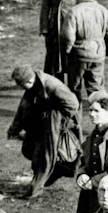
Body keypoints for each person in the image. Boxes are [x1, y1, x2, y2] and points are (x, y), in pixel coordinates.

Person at [8, 64, 82, 194]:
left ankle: (36, 187)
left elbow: (73, 105)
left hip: (54, 124)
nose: (20, 88)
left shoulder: (52, 86)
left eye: (21, 85)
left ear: (30, 81)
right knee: (30, 149)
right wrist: (14, 129)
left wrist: (59, 121)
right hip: (42, 123)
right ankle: (51, 174)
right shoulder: (33, 86)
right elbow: (23, 108)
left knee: (45, 156)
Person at [61, 0, 108, 111]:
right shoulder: (103, 10)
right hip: (98, 55)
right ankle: (102, 117)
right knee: (96, 89)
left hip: (78, 57)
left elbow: (67, 36)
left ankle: (75, 120)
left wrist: (67, 51)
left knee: (74, 89)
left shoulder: (73, 11)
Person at [40, 0, 78, 79]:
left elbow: (83, 5)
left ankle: (73, 88)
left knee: (72, 54)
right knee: (54, 58)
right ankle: (57, 86)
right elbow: (45, 7)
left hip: (71, 22)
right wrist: (44, 27)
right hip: (54, 25)